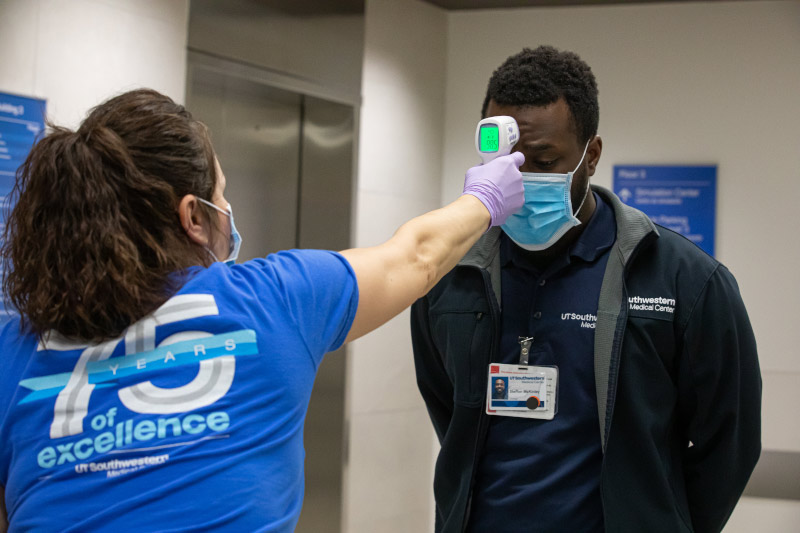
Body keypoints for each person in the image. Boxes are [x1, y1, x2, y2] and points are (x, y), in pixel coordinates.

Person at [0, 88, 525, 532]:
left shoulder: (14, 350)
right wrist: (484, 198)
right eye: (221, 194)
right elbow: (416, 256)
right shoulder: (275, 300)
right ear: (194, 217)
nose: (228, 209)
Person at [411, 46, 761, 533]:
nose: (521, 180)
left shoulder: (684, 280)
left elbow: (729, 440)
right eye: (507, 162)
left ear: (591, 156)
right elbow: (448, 411)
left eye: (545, 161)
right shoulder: (453, 274)